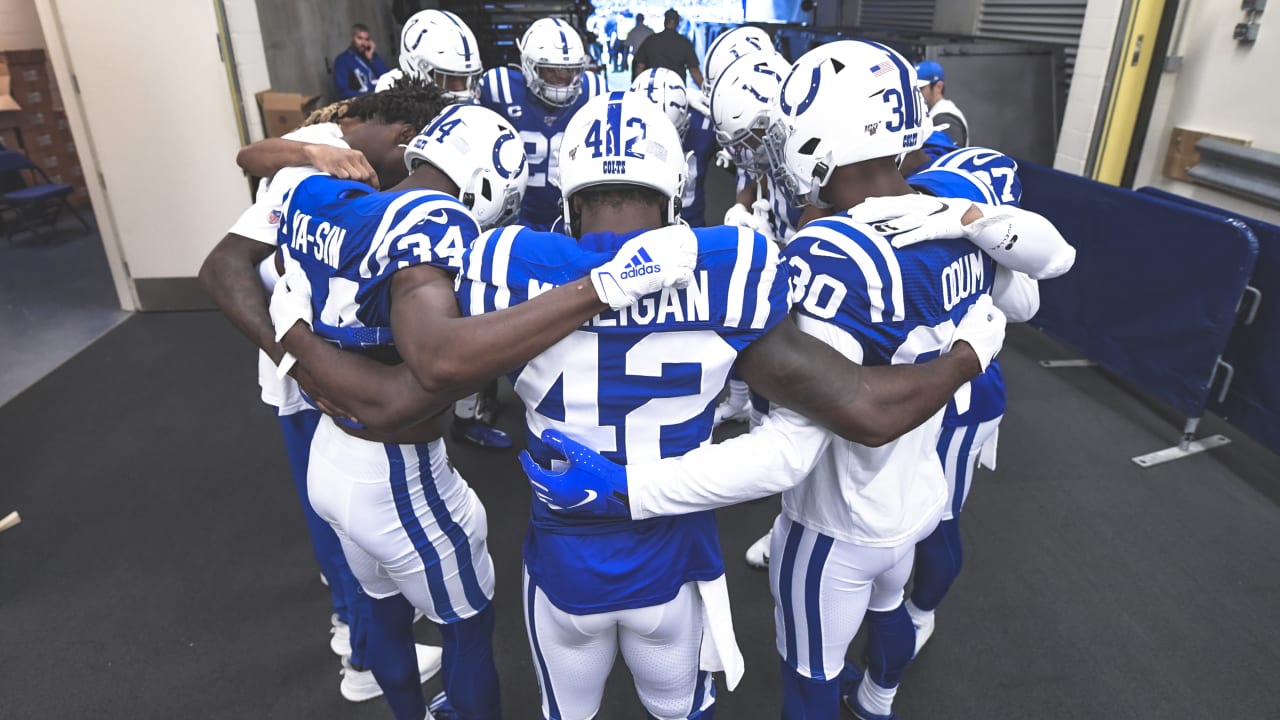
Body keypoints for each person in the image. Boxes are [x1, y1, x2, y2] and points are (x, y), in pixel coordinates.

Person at [520, 41, 1073, 720]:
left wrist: (631, 490)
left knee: (809, 674)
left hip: (836, 517)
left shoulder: (833, 255)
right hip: (916, 491)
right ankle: (877, 701)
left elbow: (792, 450)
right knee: (892, 604)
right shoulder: (956, 204)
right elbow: (1031, 293)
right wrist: (973, 230)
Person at [200, 79, 449, 708]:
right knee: (336, 521)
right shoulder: (317, 159)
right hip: (301, 367)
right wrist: (295, 357)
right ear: (402, 137)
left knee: (337, 516)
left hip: (317, 358)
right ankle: (359, 648)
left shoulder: (354, 164)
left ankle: (358, 629)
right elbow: (246, 180)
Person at [477, 17, 605, 231]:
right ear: (529, 66)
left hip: (571, 218)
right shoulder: (500, 90)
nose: (563, 79)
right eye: (552, 70)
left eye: (571, 71)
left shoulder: (593, 91)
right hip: (513, 218)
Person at [630, 68, 716, 227]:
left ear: (686, 115)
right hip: (644, 227)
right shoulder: (623, 131)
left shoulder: (704, 123)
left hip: (692, 226)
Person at [377, 9, 485, 101]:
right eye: (450, 79)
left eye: (468, 79)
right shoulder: (390, 92)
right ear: (415, 66)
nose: (464, 94)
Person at [632, 9, 703, 88]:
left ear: (664, 22)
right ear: (677, 23)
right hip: (676, 90)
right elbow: (694, 70)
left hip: (653, 89)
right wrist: (706, 91)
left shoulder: (651, 40)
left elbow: (640, 66)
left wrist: (636, 87)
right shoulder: (685, 43)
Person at [916, 60, 968, 147]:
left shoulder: (945, 118)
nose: (917, 93)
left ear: (938, 86)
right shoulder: (932, 112)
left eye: (921, 88)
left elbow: (948, 155)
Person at [334, 24, 391, 100]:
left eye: (367, 39)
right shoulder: (342, 60)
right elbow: (342, 91)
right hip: (359, 103)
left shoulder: (372, 56)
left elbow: (388, 77)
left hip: (380, 100)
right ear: (352, 39)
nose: (363, 43)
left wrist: (372, 59)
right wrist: (368, 96)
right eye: (360, 38)